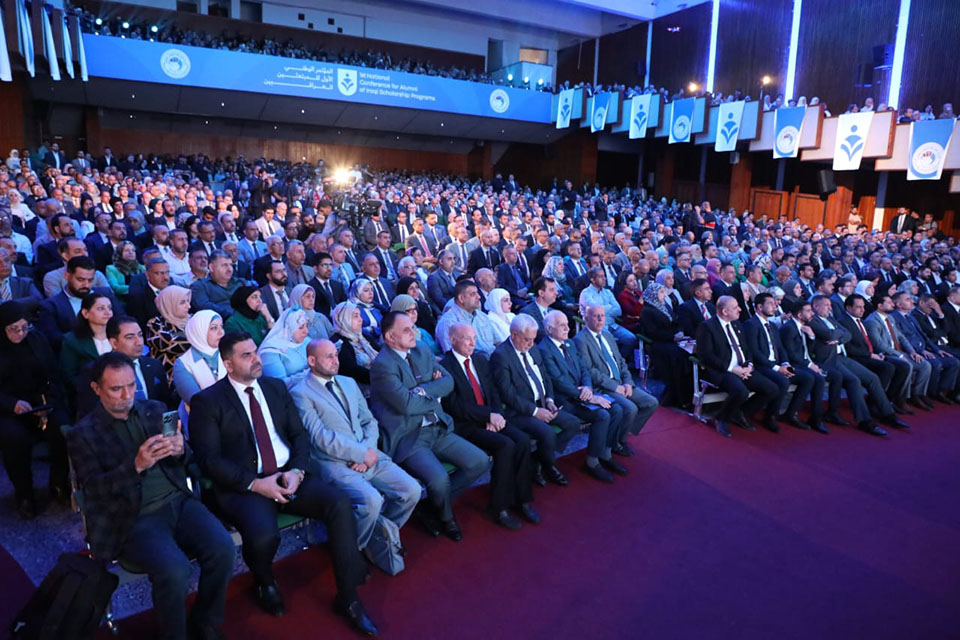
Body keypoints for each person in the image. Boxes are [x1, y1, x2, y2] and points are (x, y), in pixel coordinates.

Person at [187, 333, 378, 635]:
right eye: (246, 355)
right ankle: (264, 581)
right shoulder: (208, 401)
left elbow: (299, 435)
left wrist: (298, 471)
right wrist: (255, 484)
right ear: (228, 364)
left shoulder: (275, 388)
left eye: (255, 352)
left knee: (339, 504)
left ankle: (349, 597)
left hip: (289, 475)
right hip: (245, 486)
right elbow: (209, 459)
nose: (256, 359)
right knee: (265, 536)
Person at [65, 352, 236, 640]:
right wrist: (135, 466)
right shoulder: (83, 433)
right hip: (133, 516)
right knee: (175, 569)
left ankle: (205, 623)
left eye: (131, 385)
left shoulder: (154, 410)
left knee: (223, 549)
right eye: (116, 388)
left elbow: (188, 458)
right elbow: (93, 490)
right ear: (96, 389)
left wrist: (180, 449)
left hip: (178, 500)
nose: (127, 395)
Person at [369, 311, 489, 541]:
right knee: (439, 479)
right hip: (409, 436)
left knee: (479, 461)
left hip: (437, 426)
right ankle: (446, 517)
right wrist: (433, 392)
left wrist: (423, 390)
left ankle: (431, 505)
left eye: (412, 327)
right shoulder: (382, 365)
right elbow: (406, 405)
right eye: (406, 330)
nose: (413, 333)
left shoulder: (421, 350)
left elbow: (449, 382)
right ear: (390, 337)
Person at [291, 339, 420, 549]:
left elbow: (369, 421)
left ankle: (379, 536)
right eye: (329, 356)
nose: (336, 360)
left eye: (336, 355)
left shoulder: (348, 382)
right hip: (334, 462)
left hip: (370, 455)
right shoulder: (300, 392)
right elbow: (319, 437)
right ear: (312, 361)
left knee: (411, 490)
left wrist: (367, 452)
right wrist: (360, 454)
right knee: (372, 501)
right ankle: (354, 548)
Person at [440, 324, 539, 529]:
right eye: (466, 338)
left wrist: (496, 414)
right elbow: (454, 406)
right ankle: (498, 507)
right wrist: (488, 416)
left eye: (474, 338)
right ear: (453, 340)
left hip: (491, 417)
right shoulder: (445, 366)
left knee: (521, 440)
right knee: (505, 446)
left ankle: (522, 499)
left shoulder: (479, 360)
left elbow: (493, 392)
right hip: (466, 425)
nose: (472, 343)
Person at [490, 314, 580, 486]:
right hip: (519, 411)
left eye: (533, 339)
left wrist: (550, 400)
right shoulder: (501, 356)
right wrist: (536, 411)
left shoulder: (533, 348)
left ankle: (538, 461)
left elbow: (545, 377)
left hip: (543, 403)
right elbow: (507, 394)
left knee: (573, 423)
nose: (531, 344)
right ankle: (549, 465)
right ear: (514, 335)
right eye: (527, 339)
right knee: (547, 433)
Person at [538, 310, 627, 483]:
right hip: (565, 400)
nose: (567, 328)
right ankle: (592, 462)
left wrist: (587, 387)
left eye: (567, 324)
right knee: (602, 415)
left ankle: (605, 454)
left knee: (616, 409)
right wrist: (585, 395)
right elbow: (558, 381)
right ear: (549, 329)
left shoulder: (569, 343)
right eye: (562, 325)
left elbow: (584, 368)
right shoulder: (544, 349)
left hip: (583, 393)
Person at [0, 302, 69, 518]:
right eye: (14, 329)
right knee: (14, 438)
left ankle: (59, 482)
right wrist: (12, 404)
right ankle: (24, 493)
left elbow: (53, 374)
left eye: (24, 327)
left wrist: (46, 401)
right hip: (8, 409)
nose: (21, 333)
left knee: (62, 428)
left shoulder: (37, 339)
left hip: (40, 403)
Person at [575, 304, 659, 447]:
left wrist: (628, 382)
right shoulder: (580, 340)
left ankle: (619, 432)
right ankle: (617, 442)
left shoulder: (607, 335)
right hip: (603, 386)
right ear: (586, 319)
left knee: (651, 402)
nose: (600, 319)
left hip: (621, 382)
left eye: (602, 316)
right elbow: (589, 371)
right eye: (596, 316)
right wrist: (615, 387)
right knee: (630, 408)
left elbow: (621, 362)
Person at [744, 293, 822, 431]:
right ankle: (770, 417)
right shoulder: (751, 324)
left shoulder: (773, 325)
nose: (774, 306)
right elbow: (755, 353)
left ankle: (791, 414)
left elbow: (781, 349)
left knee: (808, 378)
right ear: (759, 307)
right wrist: (777, 368)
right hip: (761, 366)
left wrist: (785, 364)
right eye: (770, 303)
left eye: (774, 303)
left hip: (777, 365)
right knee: (783, 381)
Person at [637, 283, 693, 409]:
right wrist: (672, 336)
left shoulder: (664, 306)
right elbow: (652, 332)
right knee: (678, 357)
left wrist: (680, 331)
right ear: (653, 294)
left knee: (688, 352)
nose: (664, 295)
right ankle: (678, 396)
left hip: (672, 339)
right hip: (659, 343)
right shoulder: (647, 311)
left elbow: (675, 321)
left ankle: (688, 394)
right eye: (661, 292)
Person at [60, 292, 114, 401]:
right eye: (101, 308)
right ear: (85, 313)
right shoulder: (72, 341)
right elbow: (69, 376)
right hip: (90, 397)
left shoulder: (118, 335)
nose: (107, 312)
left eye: (109, 308)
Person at [579, 266, 639, 363]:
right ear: (593, 280)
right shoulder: (586, 293)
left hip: (612, 324)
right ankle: (609, 364)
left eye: (604, 276)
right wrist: (609, 307)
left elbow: (618, 310)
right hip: (596, 327)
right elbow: (596, 311)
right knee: (609, 340)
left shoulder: (607, 292)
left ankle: (619, 361)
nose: (604, 279)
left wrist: (601, 308)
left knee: (631, 338)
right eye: (600, 276)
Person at [172, 310, 226, 410]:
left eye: (221, 326)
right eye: (214, 328)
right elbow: (197, 402)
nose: (221, 332)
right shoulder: (183, 364)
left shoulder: (230, 351)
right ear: (199, 331)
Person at [435, 279, 497, 355]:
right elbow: (453, 354)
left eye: (477, 293)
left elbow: (496, 342)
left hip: (493, 358)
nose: (479, 297)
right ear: (461, 298)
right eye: (473, 294)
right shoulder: (448, 322)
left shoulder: (482, 316)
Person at [147, 285, 193, 382]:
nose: (188, 306)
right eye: (182, 302)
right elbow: (170, 343)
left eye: (188, 301)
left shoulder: (193, 320)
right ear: (169, 304)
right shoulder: (155, 324)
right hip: (171, 376)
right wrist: (199, 341)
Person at [258, 307, 311, 386]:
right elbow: (280, 385)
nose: (306, 331)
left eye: (307, 326)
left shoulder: (307, 341)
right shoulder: (270, 352)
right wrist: (312, 373)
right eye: (300, 327)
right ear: (288, 328)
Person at [331, 301, 379, 387]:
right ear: (343, 319)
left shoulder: (363, 337)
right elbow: (353, 371)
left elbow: (381, 352)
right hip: (361, 388)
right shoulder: (338, 343)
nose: (361, 319)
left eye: (360, 315)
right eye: (355, 316)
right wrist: (381, 377)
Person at [348, 278, 383, 345]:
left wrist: (374, 330)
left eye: (372, 290)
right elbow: (353, 329)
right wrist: (371, 331)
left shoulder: (375, 308)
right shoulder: (351, 309)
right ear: (357, 292)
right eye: (366, 290)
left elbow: (384, 327)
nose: (370, 293)